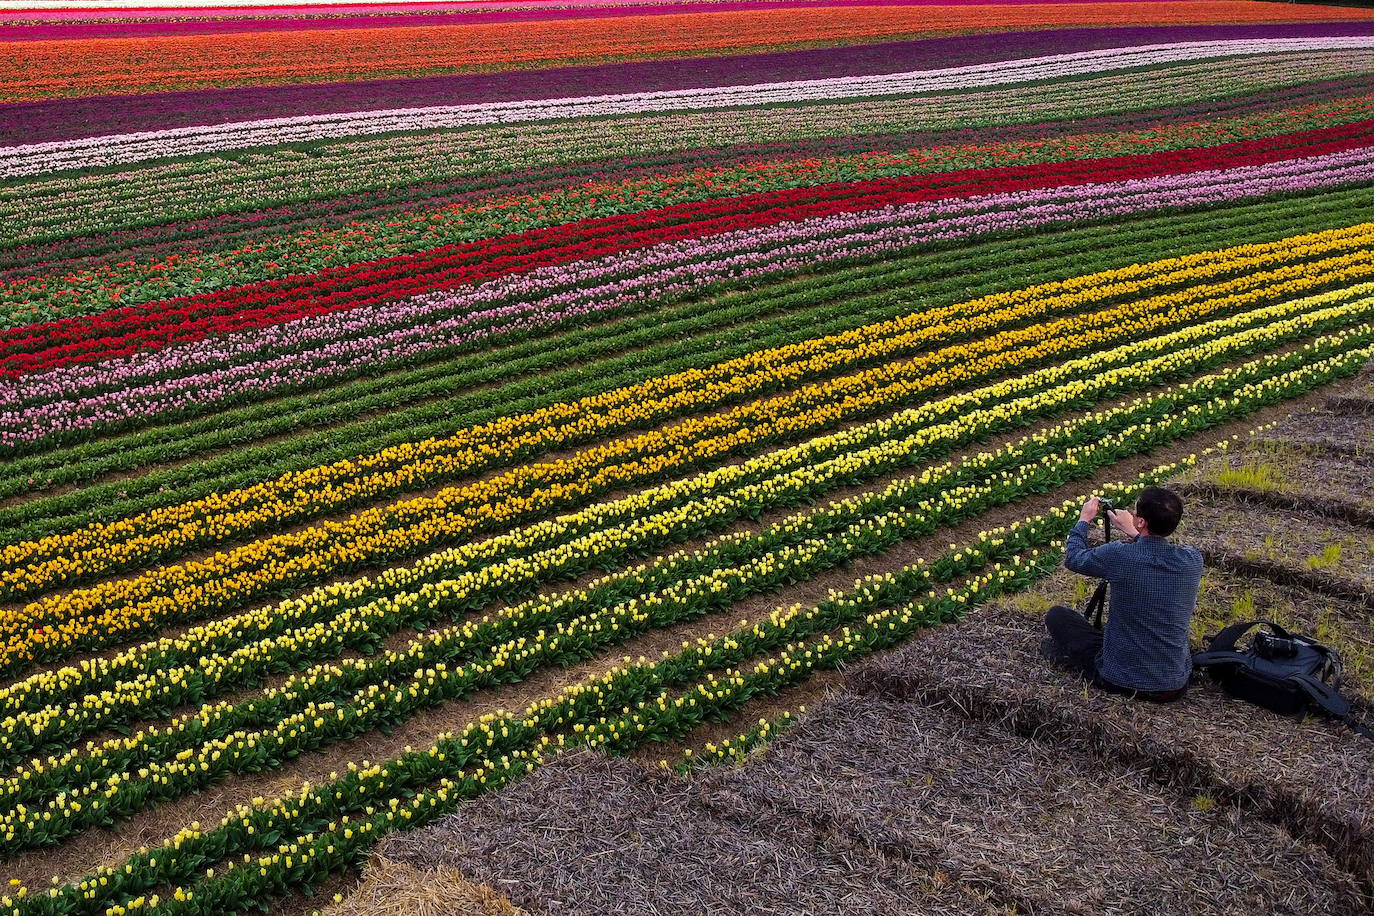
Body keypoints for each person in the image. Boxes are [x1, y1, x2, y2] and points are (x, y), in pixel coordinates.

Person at [1041, 486, 1203, 702]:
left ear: (1142, 521)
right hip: (1173, 685)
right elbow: (1153, 556)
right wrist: (1136, 533)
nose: (1132, 514)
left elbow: (1074, 558)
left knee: (1057, 616)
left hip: (1120, 679)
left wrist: (1084, 519)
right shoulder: (1192, 560)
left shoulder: (1120, 555)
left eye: (1135, 512)